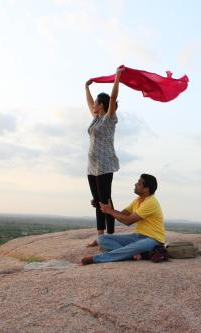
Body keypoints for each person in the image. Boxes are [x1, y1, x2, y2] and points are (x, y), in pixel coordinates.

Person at [81, 174, 165, 265]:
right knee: (102, 238)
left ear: (146, 189)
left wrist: (110, 211)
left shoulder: (151, 202)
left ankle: (95, 259)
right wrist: (106, 208)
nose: (135, 184)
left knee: (133, 247)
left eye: (139, 183)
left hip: (153, 240)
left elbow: (127, 221)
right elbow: (123, 214)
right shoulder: (138, 200)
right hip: (137, 236)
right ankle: (132, 254)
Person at [85, 66, 124, 247]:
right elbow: (90, 103)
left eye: (96, 103)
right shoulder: (96, 118)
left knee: (105, 202)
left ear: (102, 105)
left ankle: (110, 236)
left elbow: (113, 98)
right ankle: (100, 236)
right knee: (97, 202)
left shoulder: (109, 119)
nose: (94, 105)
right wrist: (87, 88)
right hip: (92, 167)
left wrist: (117, 76)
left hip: (105, 165)